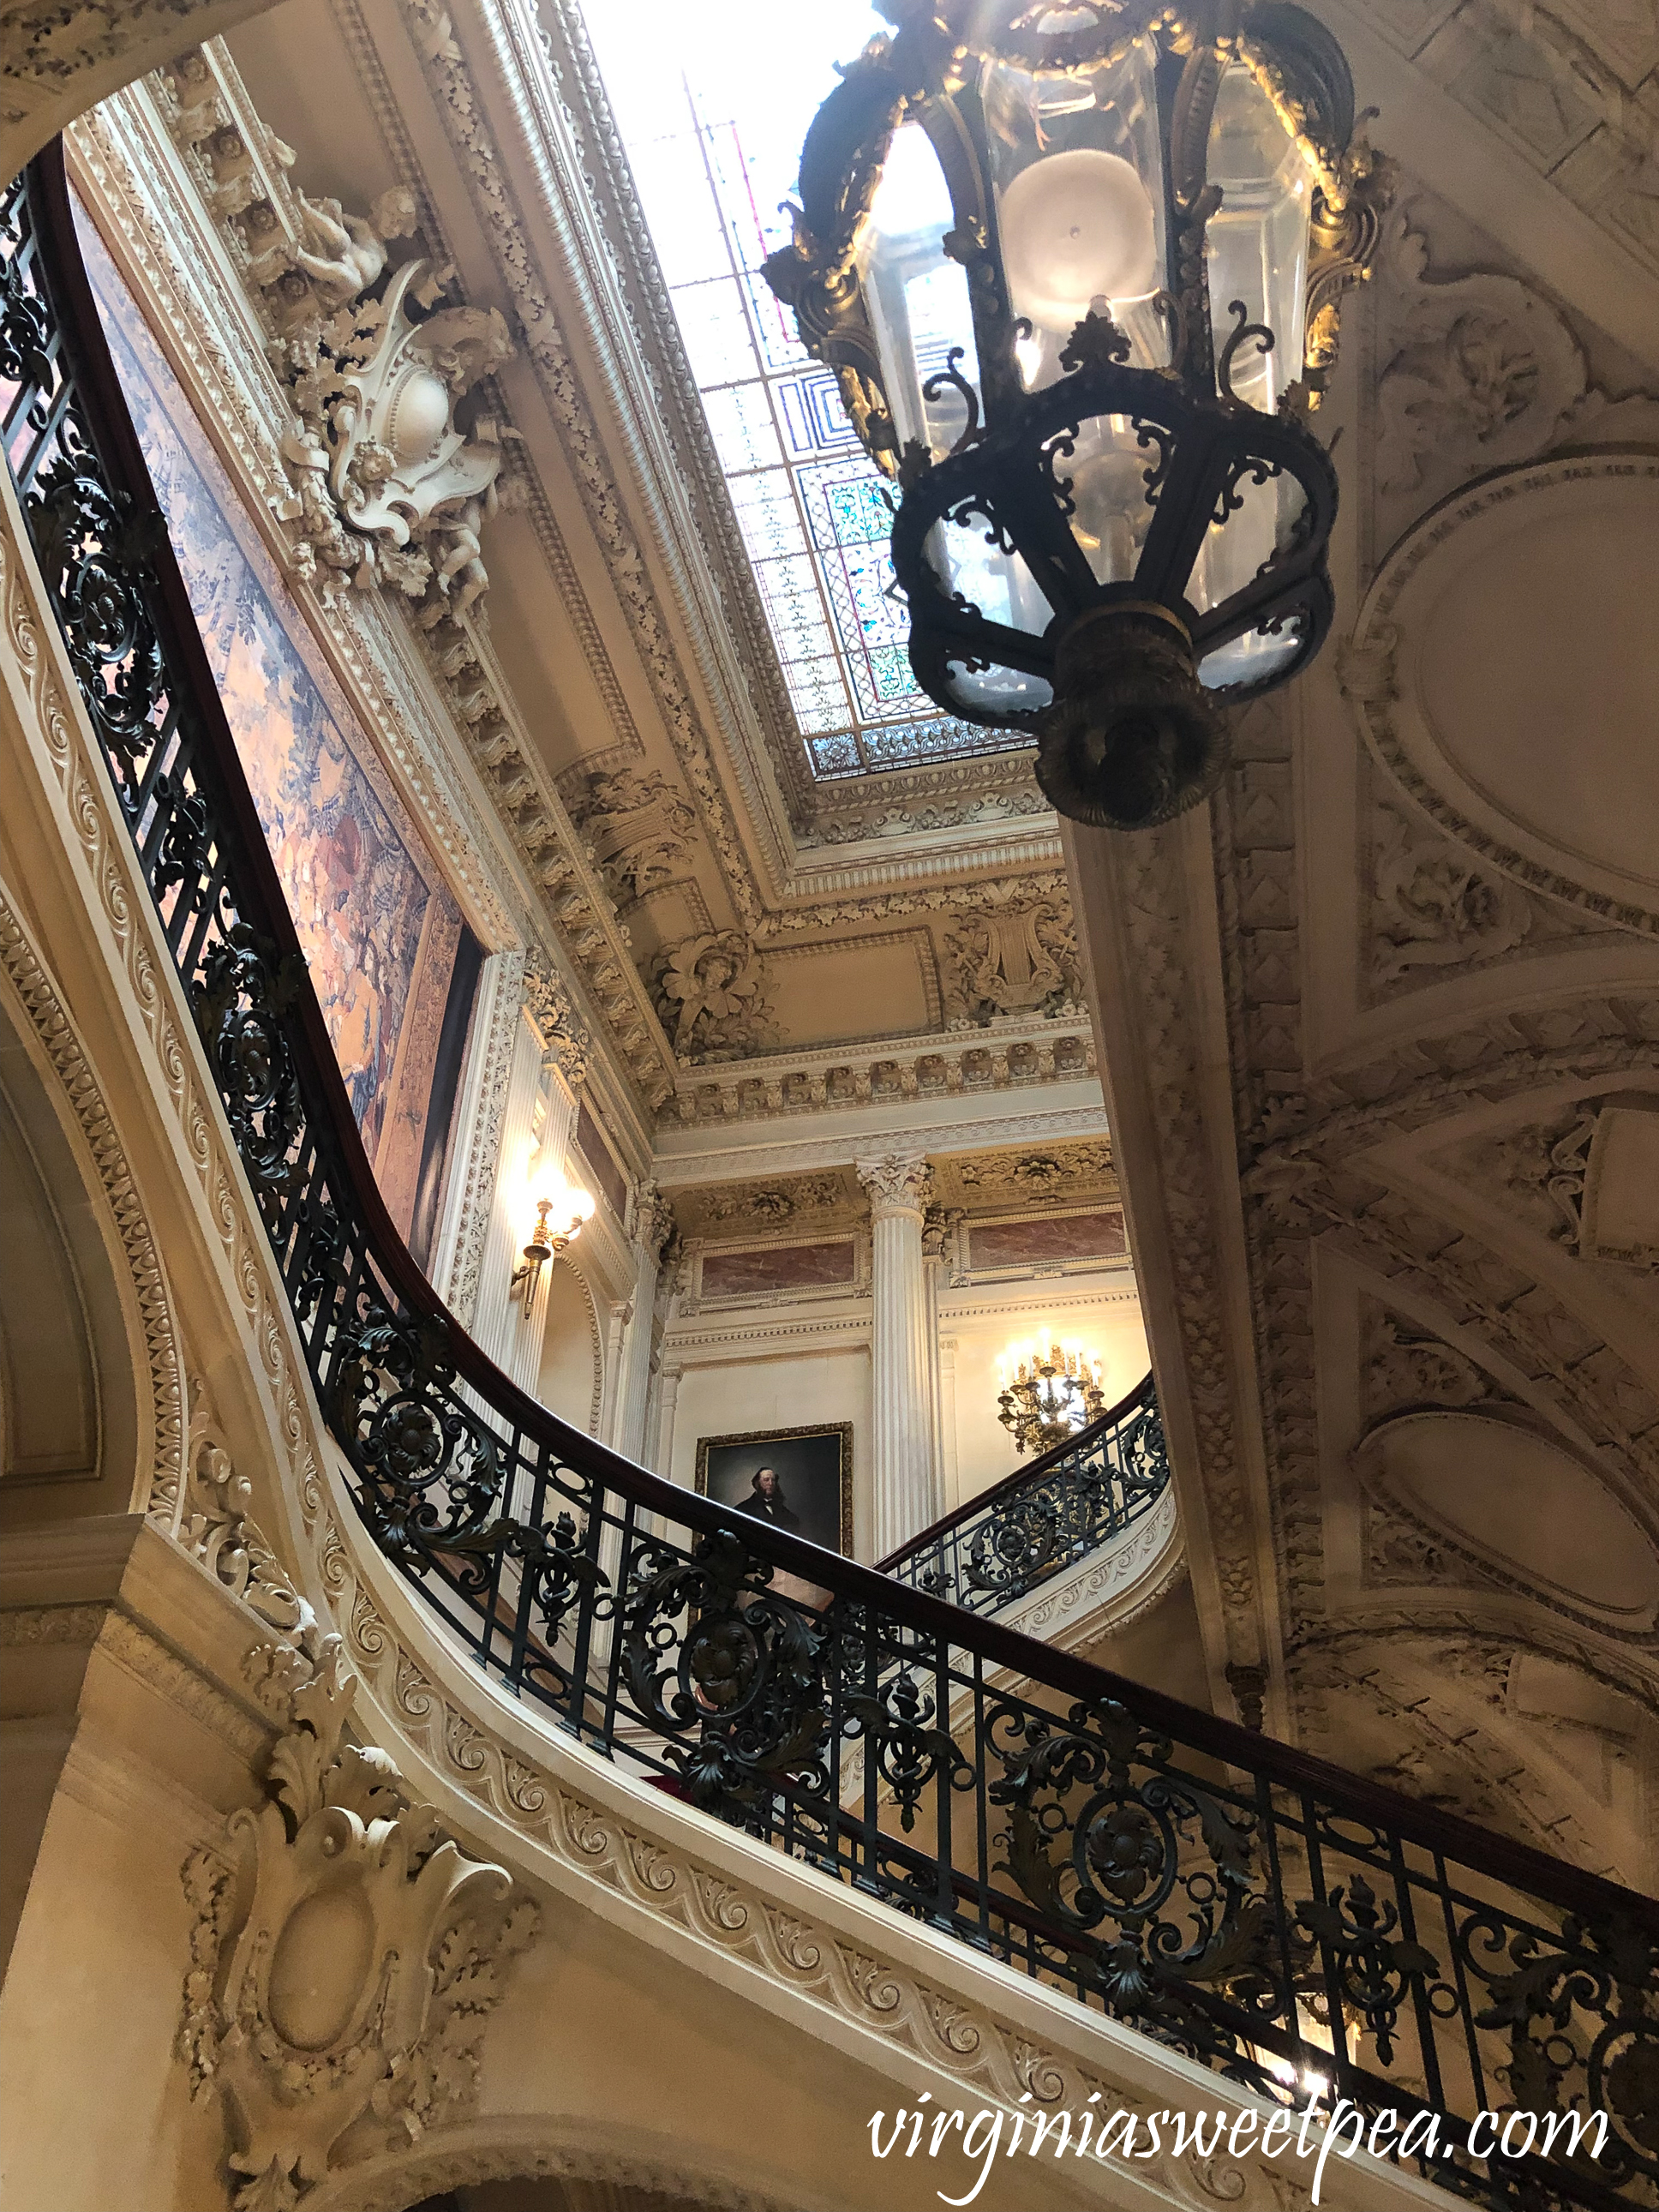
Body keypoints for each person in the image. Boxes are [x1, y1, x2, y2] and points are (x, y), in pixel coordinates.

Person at [732, 1465, 800, 1534]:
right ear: (757, 1484)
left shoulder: (787, 1515)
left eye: (773, 1480)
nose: (770, 1484)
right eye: (766, 1480)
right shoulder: (742, 1510)